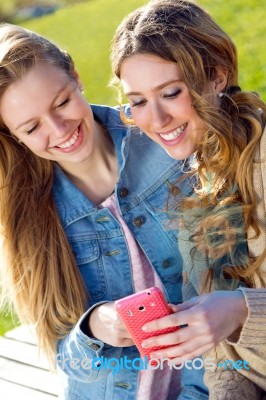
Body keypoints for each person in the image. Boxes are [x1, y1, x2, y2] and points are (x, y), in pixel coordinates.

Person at [0, 23, 210, 400]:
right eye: (31, 128)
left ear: (76, 77)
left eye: (62, 102)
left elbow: (227, 280)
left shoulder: (167, 138)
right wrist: (93, 327)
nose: (59, 130)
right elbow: (65, 358)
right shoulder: (29, 214)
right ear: (14, 137)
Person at [110, 0, 266, 398]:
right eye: (139, 101)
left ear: (216, 75)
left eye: (171, 92)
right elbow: (226, 363)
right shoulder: (200, 179)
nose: (156, 121)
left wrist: (241, 310)